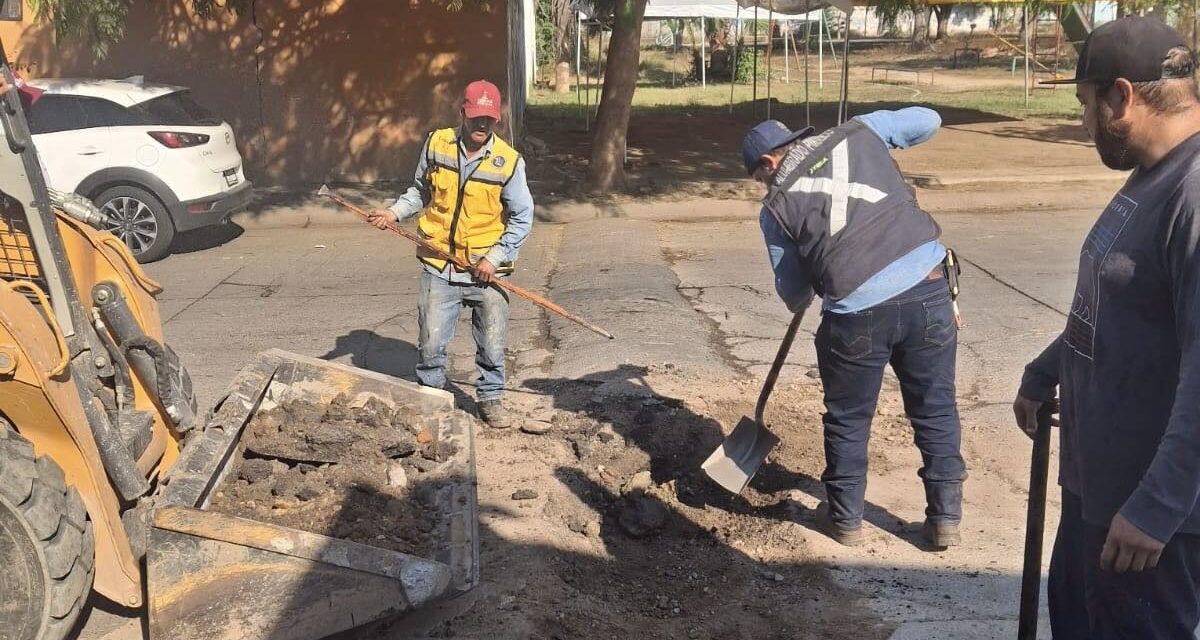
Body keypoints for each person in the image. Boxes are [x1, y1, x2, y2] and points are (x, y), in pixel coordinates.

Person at [1015, 17, 1200, 638]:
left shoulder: (1194, 194)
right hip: (1102, 492)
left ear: (1122, 95)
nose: (1084, 123)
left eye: (1086, 105)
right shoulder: (1154, 175)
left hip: (1151, 525)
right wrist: (1046, 369)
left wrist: (1156, 507)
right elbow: (1116, 301)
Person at [743, 107, 966, 549]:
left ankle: (845, 521)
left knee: (848, 419)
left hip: (857, 313)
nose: (762, 186)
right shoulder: (862, 131)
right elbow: (930, 120)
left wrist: (809, 280)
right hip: (929, 288)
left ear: (769, 163)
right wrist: (879, 128)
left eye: (758, 178)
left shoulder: (775, 209)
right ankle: (945, 521)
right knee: (935, 408)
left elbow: (793, 292)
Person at [369, 80, 534, 429]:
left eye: (489, 118)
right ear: (463, 112)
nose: (482, 125)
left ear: (498, 118)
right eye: (476, 117)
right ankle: (431, 401)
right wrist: (393, 213)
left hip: (487, 271)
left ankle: (490, 400)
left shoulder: (508, 163)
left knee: (491, 344)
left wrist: (495, 258)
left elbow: (522, 218)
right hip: (439, 262)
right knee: (430, 345)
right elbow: (419, 192)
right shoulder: (436, 144)